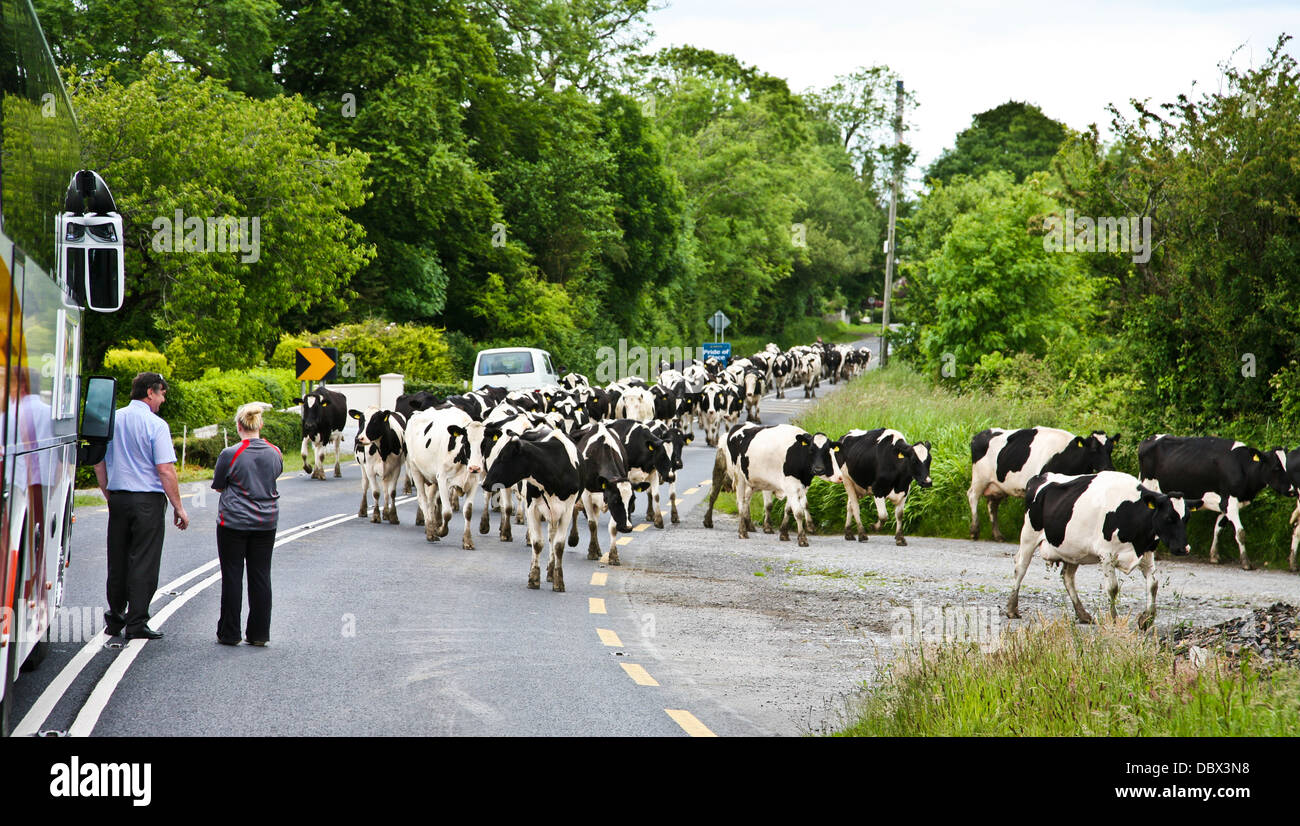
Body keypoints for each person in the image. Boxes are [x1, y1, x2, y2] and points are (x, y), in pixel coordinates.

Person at [94, 372, 189, 640]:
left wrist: (108, 493)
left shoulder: (112, 419)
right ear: (150, 392)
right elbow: (165, 470)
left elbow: (98, 462)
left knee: (118, 558)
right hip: (147, 500)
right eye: (161, 394)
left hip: (119, 498)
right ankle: (136, 622)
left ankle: (115, 618)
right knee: (143, 561)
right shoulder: (156, 425)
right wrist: (179, 506)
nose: (162, 400)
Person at [211, 403, 282, 646]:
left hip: (233, 522)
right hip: (266, 522)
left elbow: (220, 485)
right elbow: (273, 477)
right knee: (261, 575)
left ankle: (229, 632)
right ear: (260, 425)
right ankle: (259, 633)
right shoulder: (275, 452)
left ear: (239, 426)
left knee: (232, 575)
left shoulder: (230, 454)